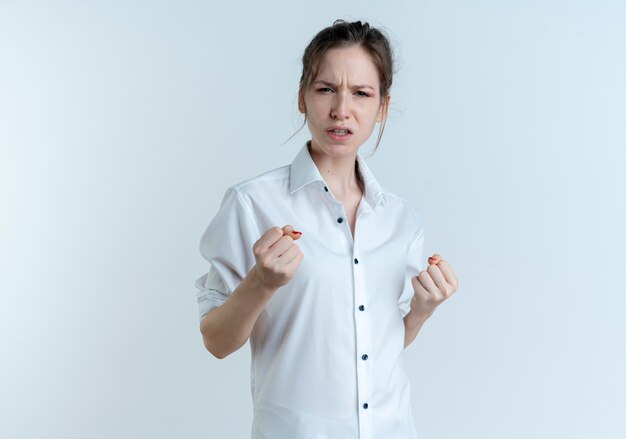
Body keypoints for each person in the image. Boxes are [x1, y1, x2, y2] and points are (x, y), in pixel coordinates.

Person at [195, 19, 459, 439]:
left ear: (382, 106)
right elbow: (216, 341)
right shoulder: (253, 204)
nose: (341, 109)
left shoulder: (400, 219)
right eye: (325, 90)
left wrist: (422, 312)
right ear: (302, 97)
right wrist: (261, 283)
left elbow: (374, 351)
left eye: (361, 93)